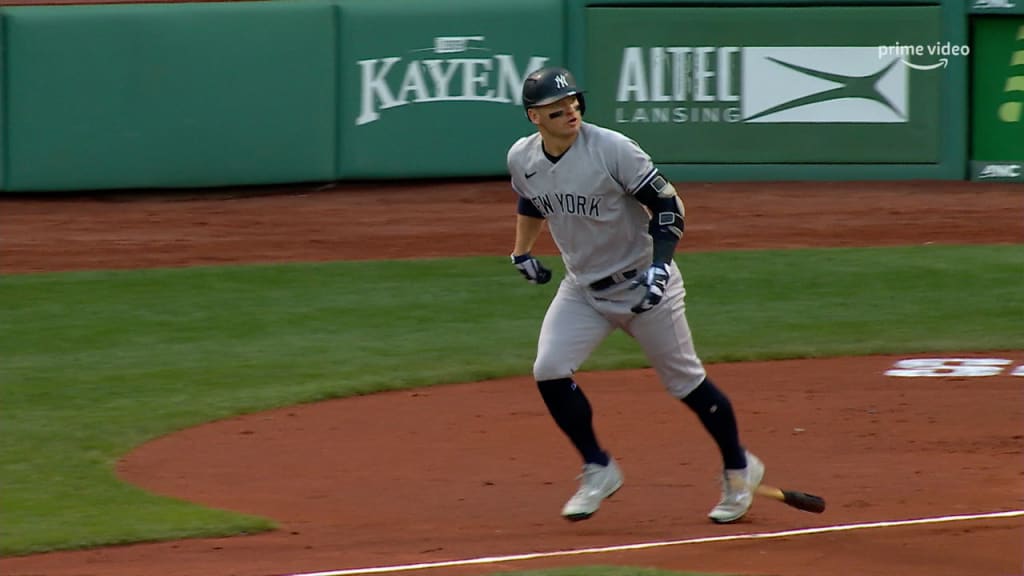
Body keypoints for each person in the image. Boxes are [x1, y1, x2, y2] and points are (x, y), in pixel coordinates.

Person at [506, 66, 765, 524]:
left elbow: (667, 203)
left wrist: (661, 267)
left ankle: (739, 468)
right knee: (548, 369)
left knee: (686, 383)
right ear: (534, 117)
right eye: (556, 107)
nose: (571, 110)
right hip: (583, 288)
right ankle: (598, 467)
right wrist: (522, 251)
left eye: (573, 102)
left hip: (644, 283)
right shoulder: (522, 158)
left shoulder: (611, 149)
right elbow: (531, 201)